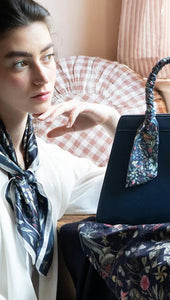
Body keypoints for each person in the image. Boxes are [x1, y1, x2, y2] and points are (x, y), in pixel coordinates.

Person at [0, 0, 120, 299]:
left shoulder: (44, 164)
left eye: (48, 56)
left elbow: (135, 189)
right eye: (20, 63)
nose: (43, 77)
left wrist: (111, 120)